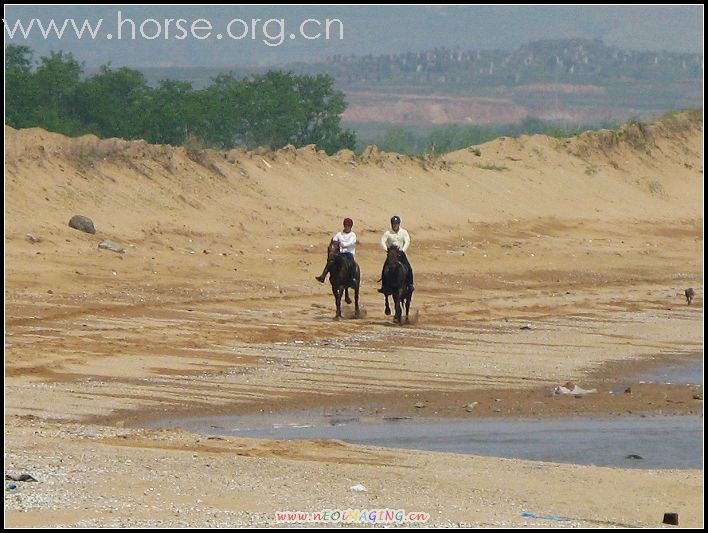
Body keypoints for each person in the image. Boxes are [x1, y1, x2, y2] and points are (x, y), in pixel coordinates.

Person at [378, 215, 414, 292]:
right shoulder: (388, 233)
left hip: (401, 254)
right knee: (385, 268)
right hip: (391, 255)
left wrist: (403, 250)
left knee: (408, 268)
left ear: (399, 224)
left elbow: (407, 241)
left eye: (396, 224)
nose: (395, 225)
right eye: (394, 224)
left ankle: (410, 284)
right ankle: (384, 286)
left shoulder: (404, 232)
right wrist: (387, 249)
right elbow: (382, 241)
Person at [315, 218, 357, 283]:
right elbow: (334, 240)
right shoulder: (339, 234)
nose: (347, 227)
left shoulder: (352, 235)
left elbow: (351, 243)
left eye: (348, 226)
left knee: (351, 264)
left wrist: (342, 244)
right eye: (346, 226)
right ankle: (323, 276)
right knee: (330, 261)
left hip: (349, 254)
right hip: (340, 253)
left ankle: (352, 278)